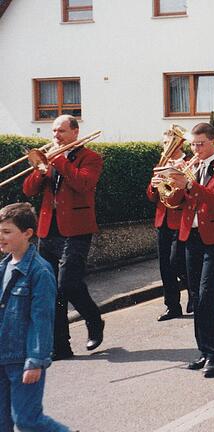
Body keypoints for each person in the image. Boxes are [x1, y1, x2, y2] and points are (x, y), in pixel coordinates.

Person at [22, 115, 105, 361]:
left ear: (75, 133)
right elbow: (29, 190)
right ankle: (61, 346)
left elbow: (84, 183)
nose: (56, 136)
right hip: (49, 229)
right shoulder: (49, 158)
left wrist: (59, 161)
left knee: (67, 284)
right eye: (54, 131)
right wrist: (41, 171)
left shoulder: (91, 158)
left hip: (77, 229)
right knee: (51, 290)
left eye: (61, 131)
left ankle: (93, 320)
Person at [165, 122, 214, 379]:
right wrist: (169, 186)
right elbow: (176, 203)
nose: (195, 149)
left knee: (208, 295)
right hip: (191, 235)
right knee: (196, 297)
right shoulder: (191, 167)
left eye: (200, 144)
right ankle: (204, 350)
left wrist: (188, 185)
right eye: (193, 144)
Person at [0, 203, 70, 432]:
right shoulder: (3, 267)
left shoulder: (39, 271)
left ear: (28, 233)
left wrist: (35, 361)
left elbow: (42, 320)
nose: (0, 237)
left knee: (27, 420)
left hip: (22, 359)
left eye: (7, 232)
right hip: (2, 356)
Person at [147, 129, 189, 320]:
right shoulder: (160, 164)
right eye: (164, 143)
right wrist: (154, 186)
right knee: (165, 266)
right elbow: (151, 196)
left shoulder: (188, 163)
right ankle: (172, 306)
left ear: (179, 144)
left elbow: (189, 195)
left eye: (168, 143)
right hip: (162, 219)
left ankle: (194, 293)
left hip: (181, 220)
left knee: (176, 263)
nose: (165, 146)